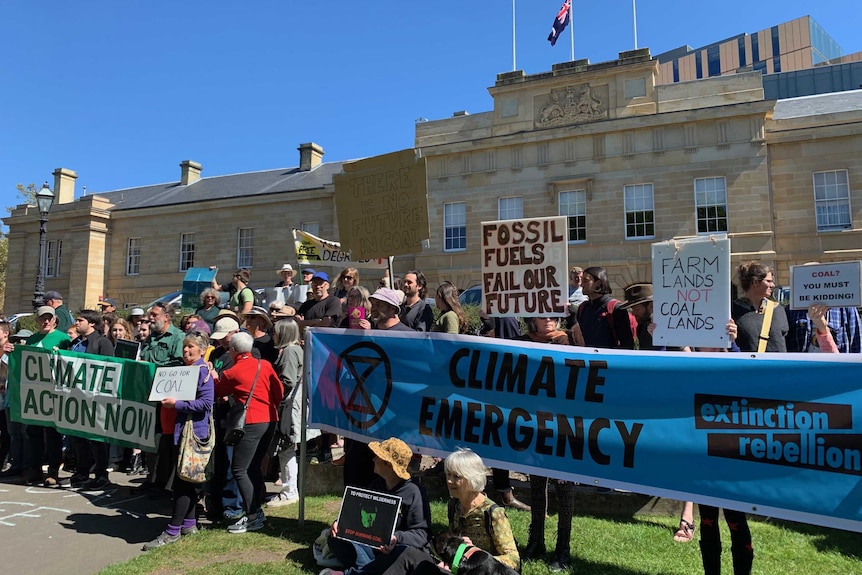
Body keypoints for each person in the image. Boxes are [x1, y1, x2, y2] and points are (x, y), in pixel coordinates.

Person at [377, 448, 520, 575]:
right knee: (407, 554)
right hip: (455, 569)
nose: (449, 481)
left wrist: (475, 554)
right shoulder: (454, 505)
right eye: (448, 475)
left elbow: (514, 560)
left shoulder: (493, 513)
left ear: (472, 478)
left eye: (456, 477)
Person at [142, 332, 214, 550]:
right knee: (186, 481)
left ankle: (172, 531)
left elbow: (206, 404)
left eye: (191, 347)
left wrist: (177, 404)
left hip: (193, 436)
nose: (185, 350)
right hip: (178, 433)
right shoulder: (185, 371)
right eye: (184, 347)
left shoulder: (203, 373)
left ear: (202, 350)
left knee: (182, 484)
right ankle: (189, 525)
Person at [518, 316, 577, 571]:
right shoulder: (522, 343)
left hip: (561, 425)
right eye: (544, 316)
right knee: (536, 485)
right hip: (534, 422)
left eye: (554, 315)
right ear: (533, 319)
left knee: (564, 489)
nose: (550, 320)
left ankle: (562, 549)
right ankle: (536, 541)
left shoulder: (566, 341)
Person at [324, 438, 432, 575]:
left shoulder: (414, 493)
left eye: (378, 457)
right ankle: (371, 569)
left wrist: (396, 538)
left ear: (388, 465)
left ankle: (359, 571)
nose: (373, 459)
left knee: (400, 554)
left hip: (398, 549)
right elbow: (359, 516)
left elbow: (423, 535)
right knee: (336, 538)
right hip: (374, 547)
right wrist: (341, 524)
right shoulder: (377, 485)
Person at [216, 332, 282, 533]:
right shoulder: (265, 365)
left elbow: (218, 391)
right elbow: (279, 391)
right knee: (253, 467)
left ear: (233, 350)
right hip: (270, 419)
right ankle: (255, 510)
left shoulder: (232, 372)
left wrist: (212, 376)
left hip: (250, 423)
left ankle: (252, 516)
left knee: (239, 469)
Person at [266, 318, 319, 507]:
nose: (273, 334)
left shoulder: (289, 351)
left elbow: (286, 381)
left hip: (289, 406)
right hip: (294, 405)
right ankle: (290, 490)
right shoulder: (296, 349)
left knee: (286, 449)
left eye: (276, 331)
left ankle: (290, 492)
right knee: (287, 449)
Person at [62, 309, 115, 489]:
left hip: (95, 398)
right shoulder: (76, 343)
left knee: (96, 439)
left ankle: (101, 474)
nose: (77, 323)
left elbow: (109, 369)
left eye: (80, 320)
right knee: (79, 438)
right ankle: (82, 471)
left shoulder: (102, 342)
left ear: (91, 323)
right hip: (76, 396)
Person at [23, 306, 71, 486]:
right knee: (33, 433)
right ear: (37, 320)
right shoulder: (32, 339)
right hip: (34, 395)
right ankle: (34, 469)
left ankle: (53, 471)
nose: (46, 321)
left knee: (53, 434)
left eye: (49, 318)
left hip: (53, 394)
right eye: (42, 318)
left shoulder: (63, 339)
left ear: (54, 320)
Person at [731, 262, 788, 352]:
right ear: (755, 282)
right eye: (768, 281)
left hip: (778, 365)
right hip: (748, 365)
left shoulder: (777, 309)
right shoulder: (733, 310)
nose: (772, 285)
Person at [577, 266, 637, 349]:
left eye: (585, 281)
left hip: (611, 360)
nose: (581, 284)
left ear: (598, 283)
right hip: (588, 359)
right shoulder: (583, 308)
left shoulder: (616, 308)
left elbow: (627, 343)